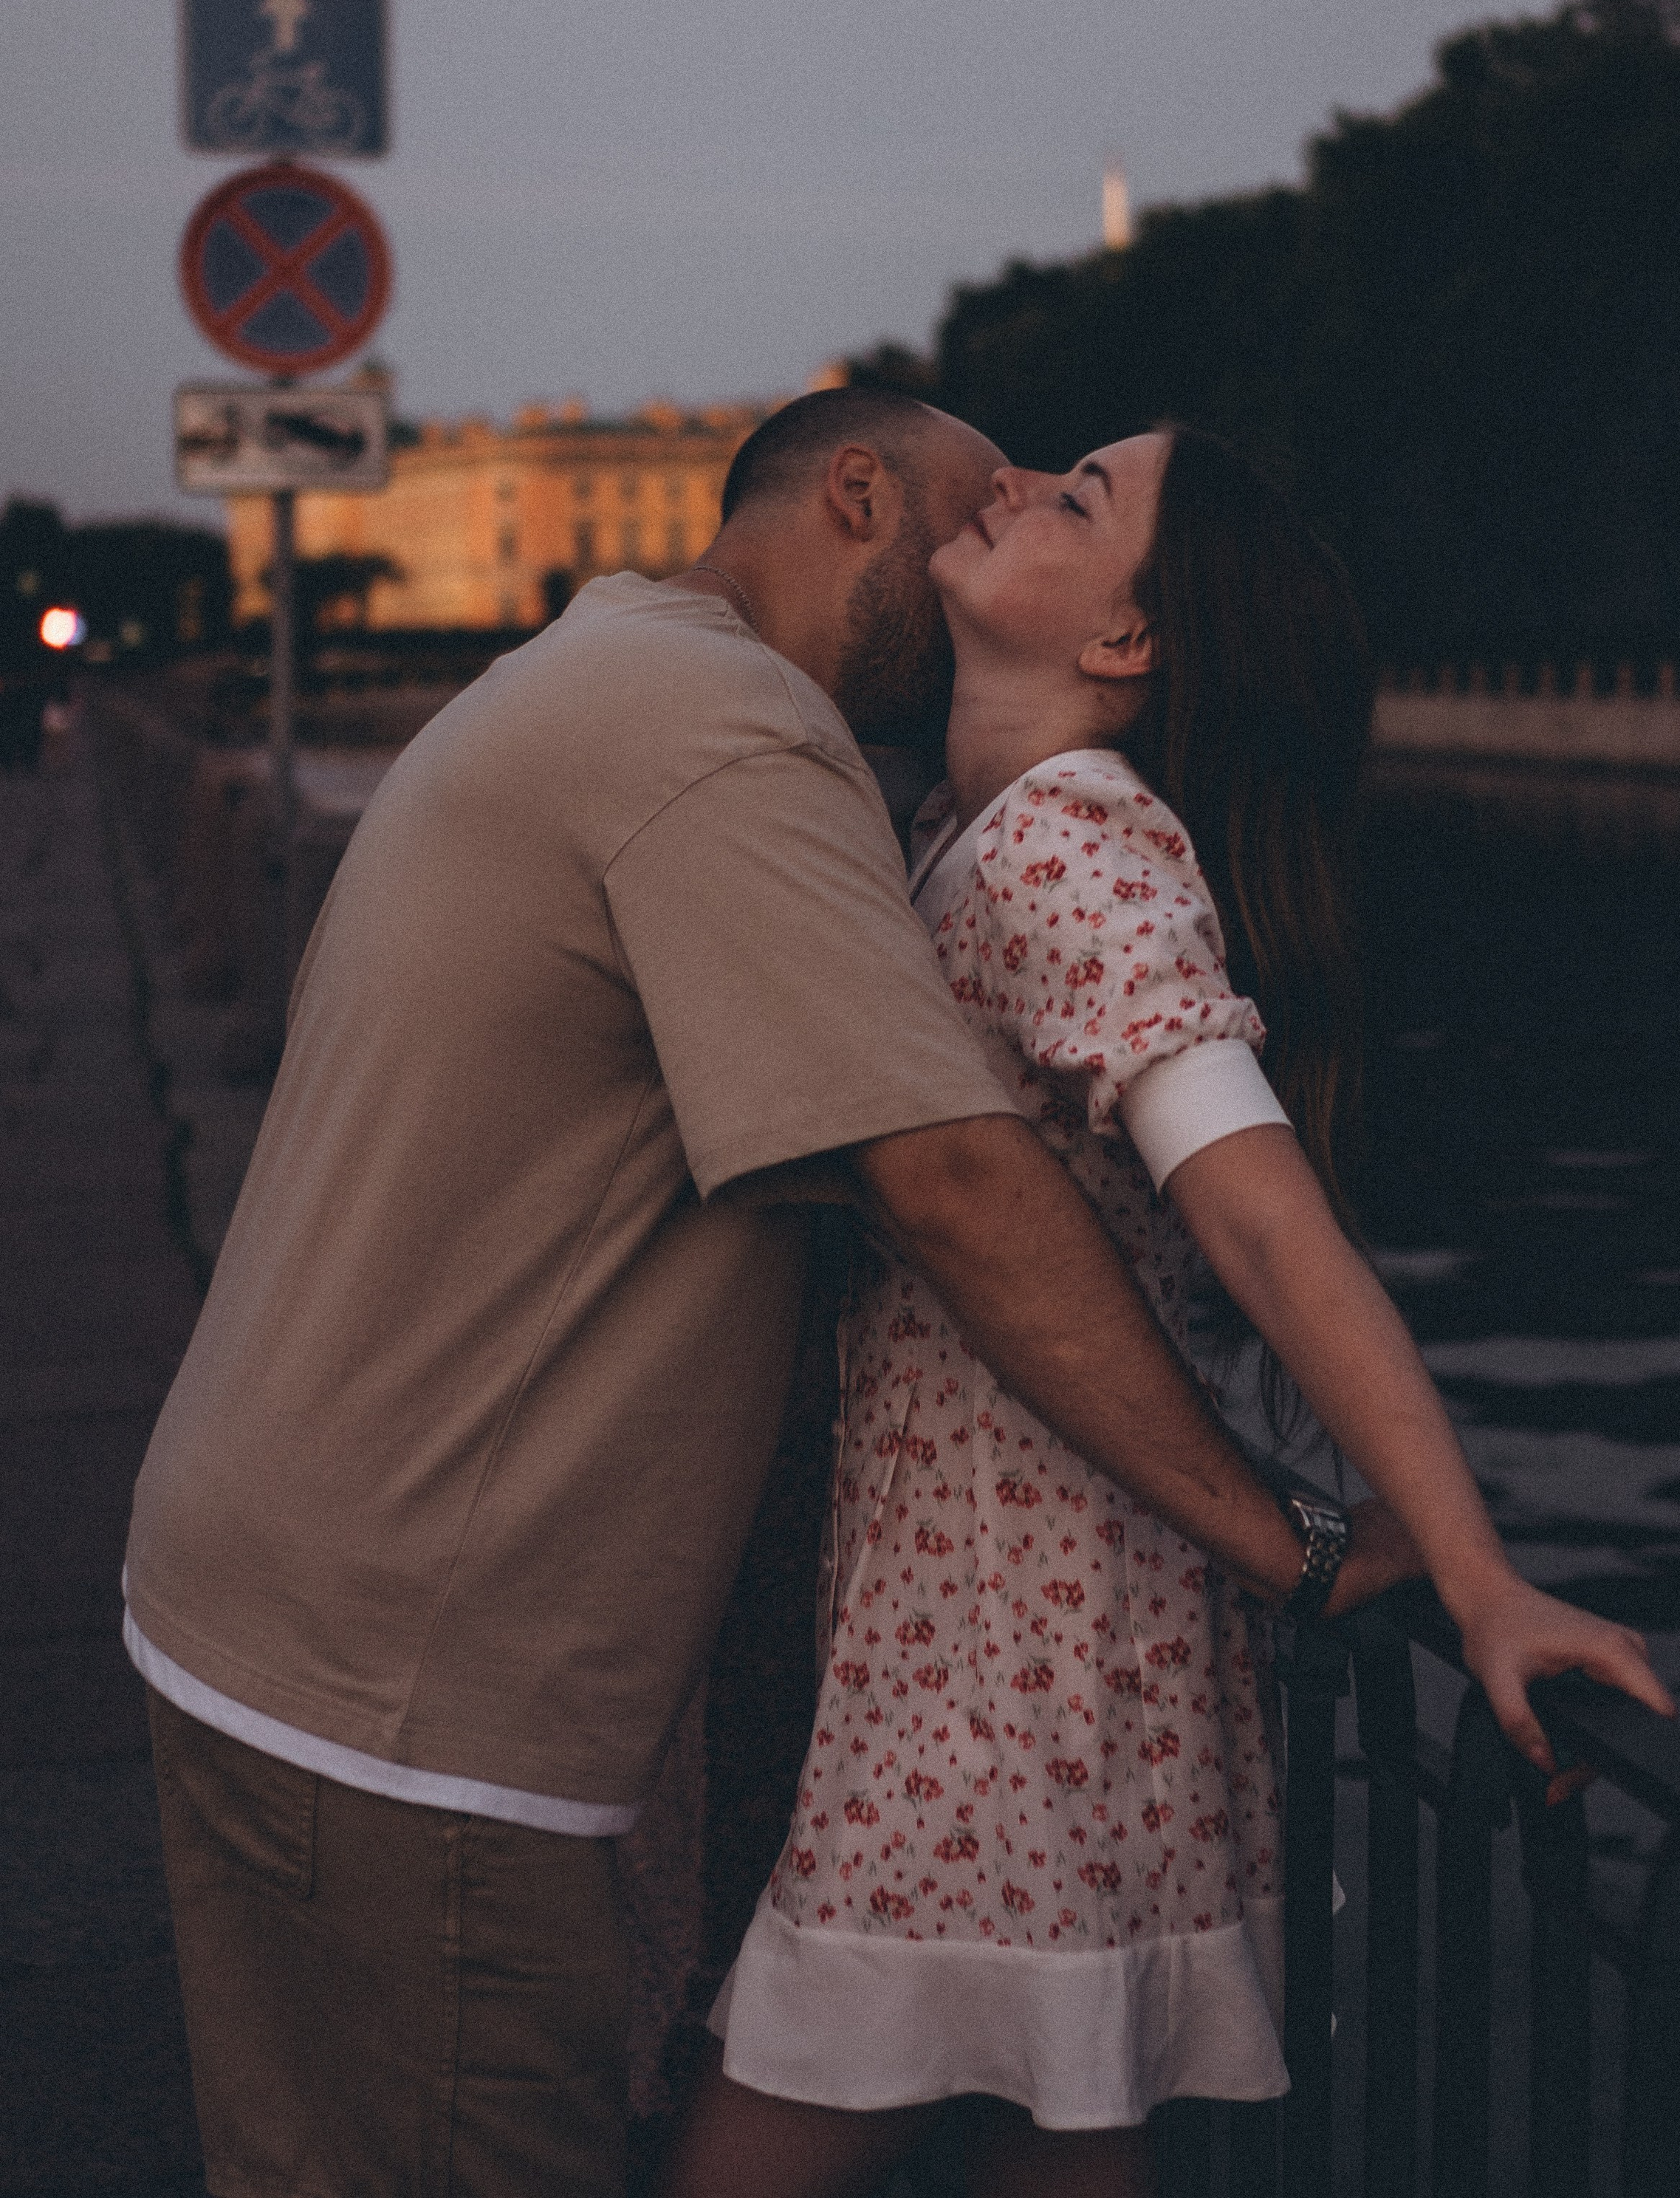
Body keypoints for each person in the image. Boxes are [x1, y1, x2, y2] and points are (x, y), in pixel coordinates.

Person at [123, 386, 1419, 2198]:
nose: (1004, 522)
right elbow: (955, 1181)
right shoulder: (731, 739)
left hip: (305, 1609)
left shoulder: (617, 674)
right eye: (981, 506)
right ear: (863, 497)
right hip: (410, 1691)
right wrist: (1281, 1530)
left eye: (1052, 510)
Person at [662, 426, 1675, 2198]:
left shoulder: (1079, 848)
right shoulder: (960, 828)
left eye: (1077, 499)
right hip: (1014, 1621)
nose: (1015, 486)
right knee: (1048, 2125)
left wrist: (1479, 1570)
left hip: (1011, 1657)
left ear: (1123, 646)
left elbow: (1273, 1236)